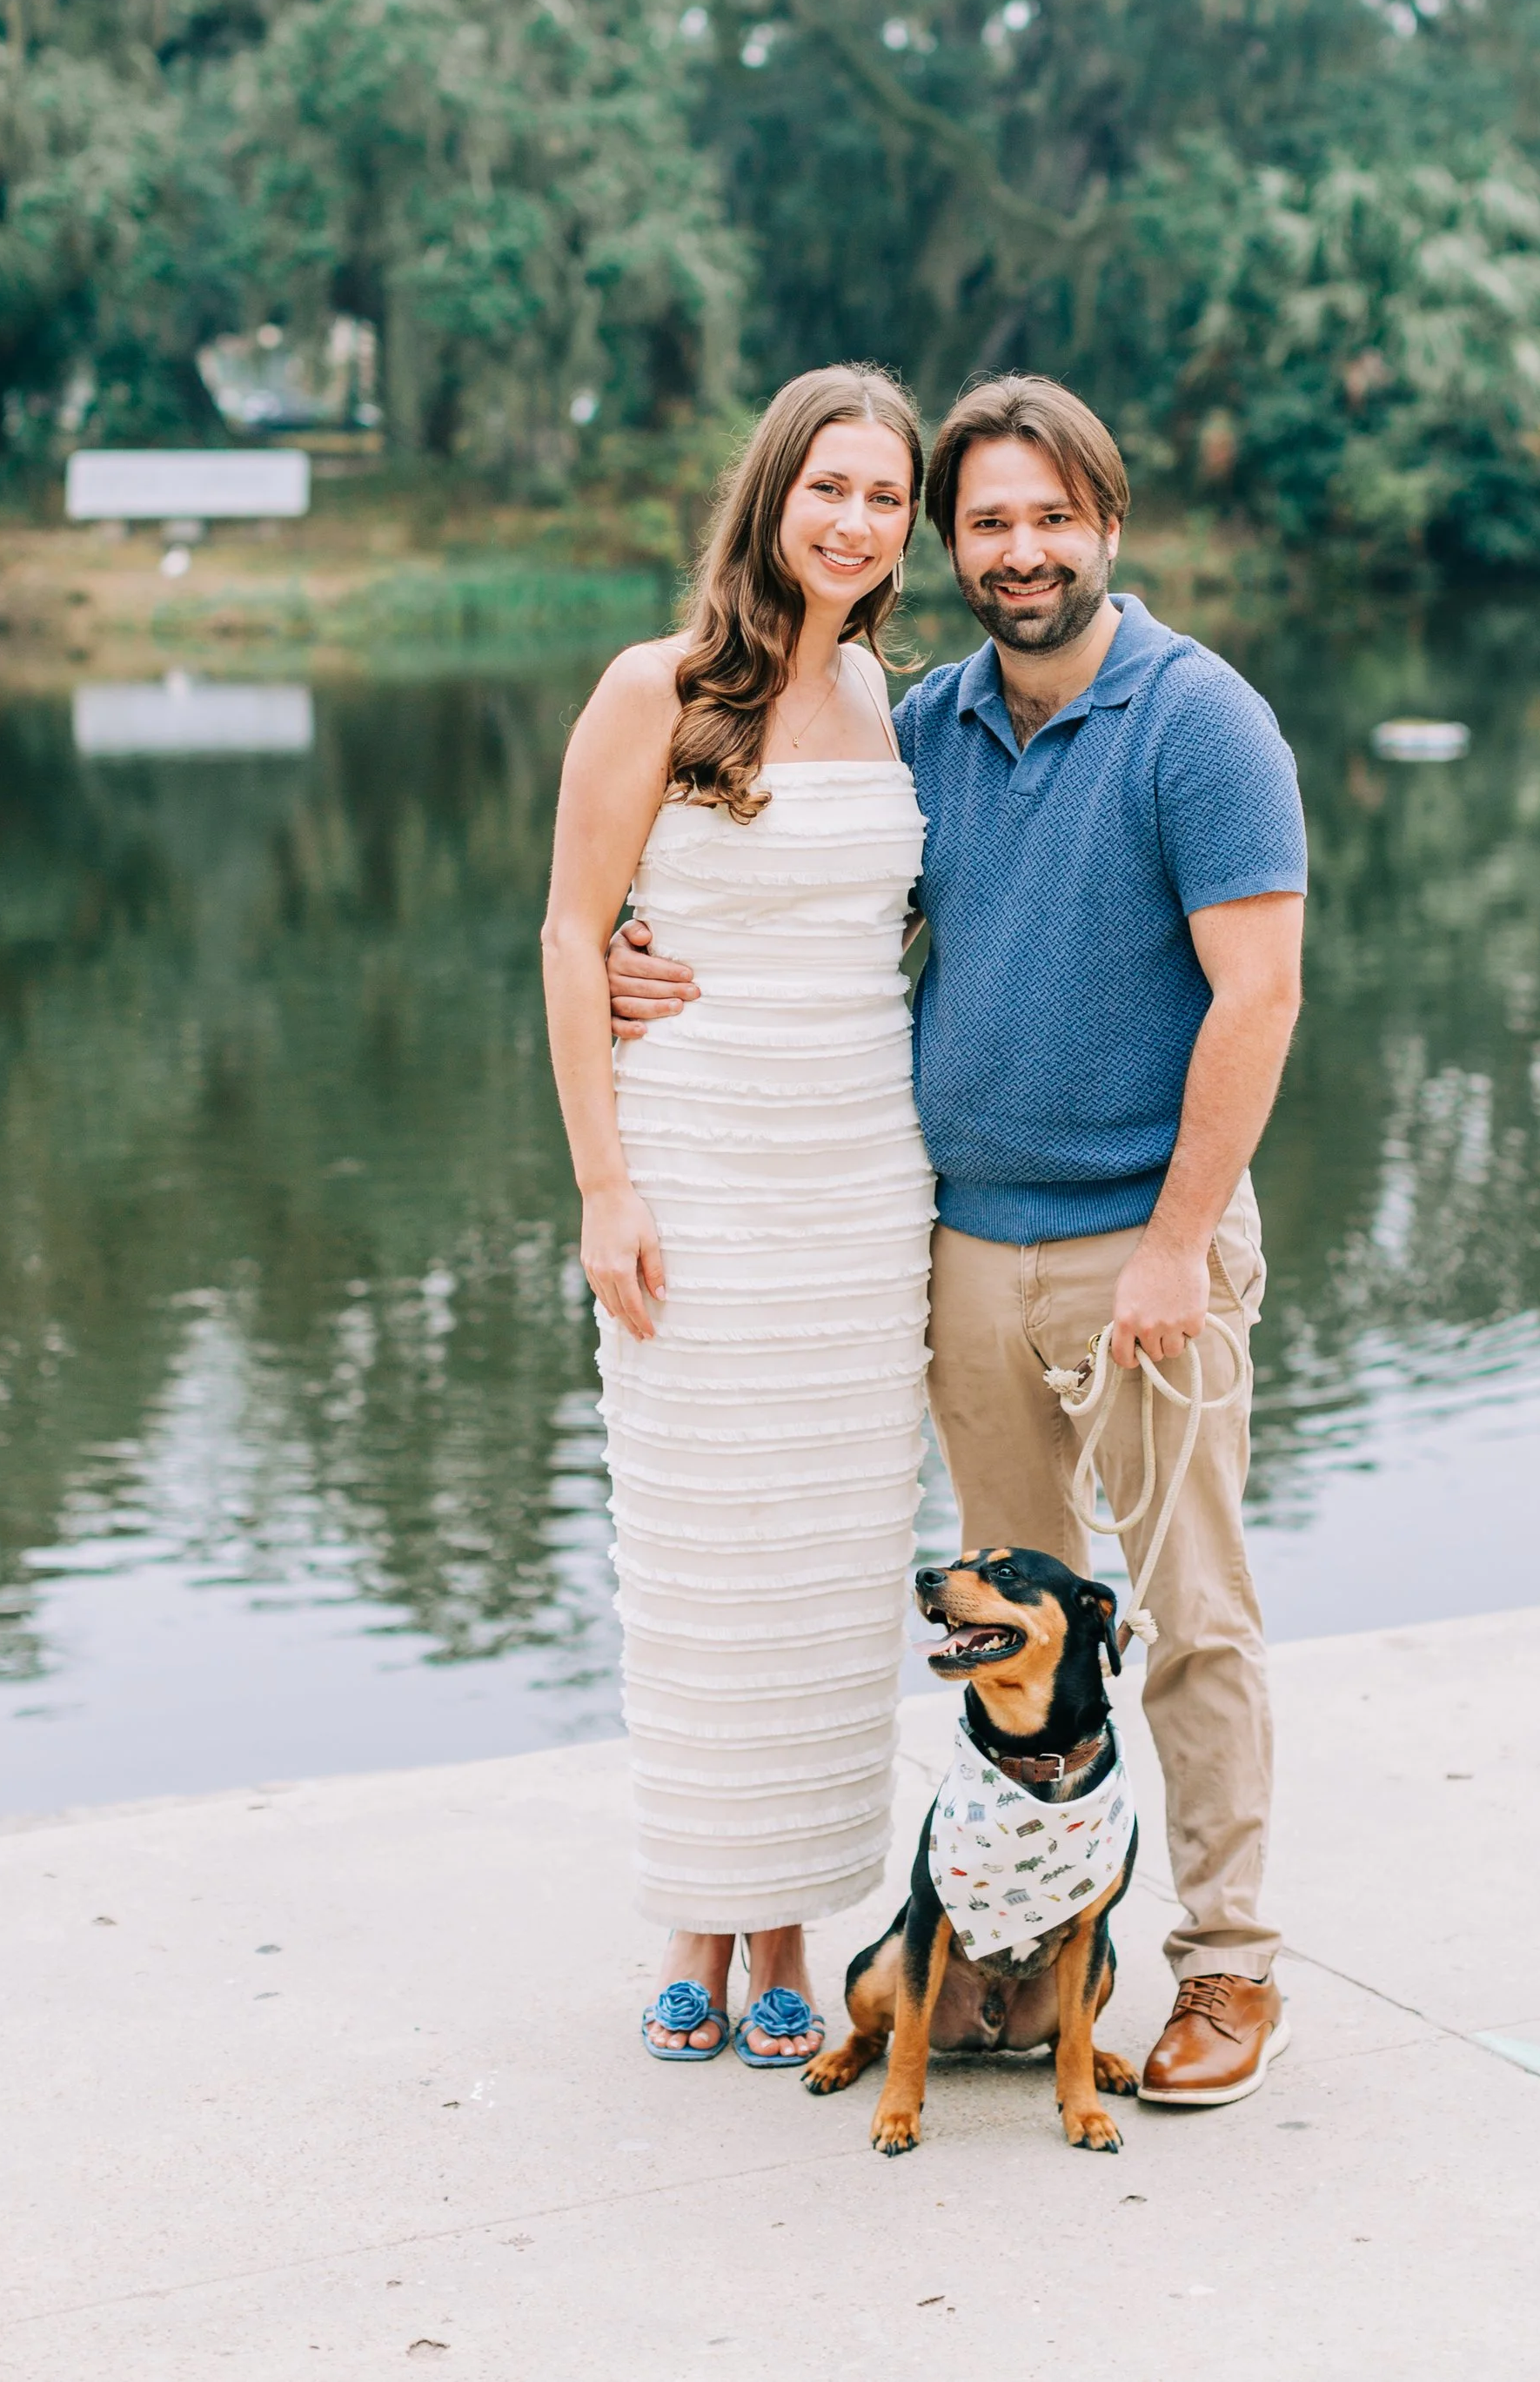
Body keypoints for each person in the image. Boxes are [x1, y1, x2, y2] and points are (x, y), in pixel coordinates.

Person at [612, 373, 1308, 2106]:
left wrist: (1173, 1243)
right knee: (1017, 1652)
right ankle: (1012, 1957)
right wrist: (639, 937)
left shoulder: (1194, 722)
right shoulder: (923, 724)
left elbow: (1260, 994)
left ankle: (1224, 1970)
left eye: (1047, 518)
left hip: (1139, 1258)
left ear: (1105, 526)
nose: (1017, 551)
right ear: (953, 546)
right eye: (984, 522)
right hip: (957, 1256)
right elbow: (786, 867)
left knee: (1190, 1612)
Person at [542, 365, 933, 2068]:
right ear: (770, 496)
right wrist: (602, 1186)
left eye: (883, 497)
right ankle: (695, 1918)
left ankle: (789, 1921)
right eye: (826, 486)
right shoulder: (659, 686)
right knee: (703, 1553)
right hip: (694, 1171)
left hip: (860, 1182)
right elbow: (569, 934)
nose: (852, 521)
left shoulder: (890, 700)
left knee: (828, 1561)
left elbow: (895, 930)